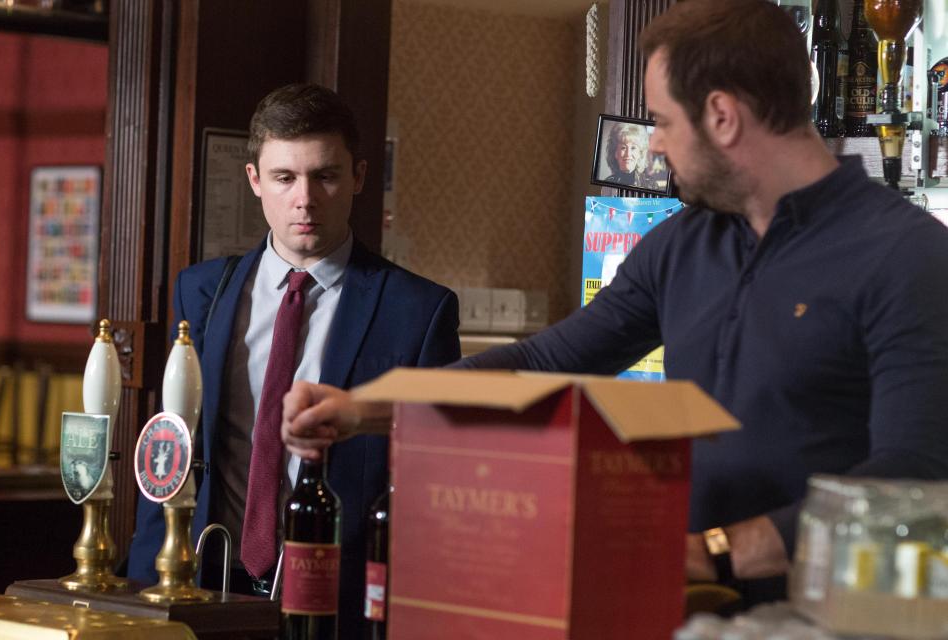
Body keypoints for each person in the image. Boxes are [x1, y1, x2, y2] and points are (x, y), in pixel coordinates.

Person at [280, 0, 948, 607]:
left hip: (832, 618)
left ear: (721, 116)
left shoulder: (907, 256)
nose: (651, 142)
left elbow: (909, 477)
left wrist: (715, 550)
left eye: (660, 120)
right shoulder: (682, 245)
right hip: (686, 612)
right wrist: (362, 407)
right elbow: (543, 365)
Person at [127, 83, 461, 638]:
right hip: (205, 583)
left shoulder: (419, 310)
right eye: (284, 178)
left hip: (340, 597)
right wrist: (143, 581)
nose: (305, 199)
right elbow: (173, 442)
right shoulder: (201, 291)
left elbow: (435, 478)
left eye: (325, 176)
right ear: (255, 180)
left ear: (357, 177)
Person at [604, 121, 660, 190]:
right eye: (623, 148)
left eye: (633, 148)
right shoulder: (607, 183)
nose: (628, 154)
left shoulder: (651, 185)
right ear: (615, 153)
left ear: (640, 153)